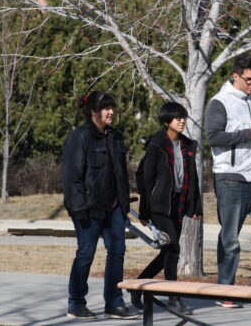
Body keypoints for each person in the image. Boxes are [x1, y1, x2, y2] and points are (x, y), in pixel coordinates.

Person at [205, 54, 251, 308]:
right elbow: (213, 137)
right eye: (248, 79)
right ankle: (225, 290)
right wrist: (248, 134)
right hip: (231, 179)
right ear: (235, 76)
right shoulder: (219, 102)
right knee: (230, 238)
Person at [61, 91, 139, 320]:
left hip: (113, 207)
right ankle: (76, 303)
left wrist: (124, 204)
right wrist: (78, 208)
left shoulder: (115, 137)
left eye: (112, 107)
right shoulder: (80, 137)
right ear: (94, 111)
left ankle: (114, 303)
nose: (111, 112)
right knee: (86, 254)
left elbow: (121, 174)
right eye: (106, 108)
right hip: (88, 208)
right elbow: (71, 177)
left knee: (117, 252)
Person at [130, 102, 202, 315]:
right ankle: (174, 297)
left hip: (178, 205)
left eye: (183, 117)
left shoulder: (188, 145)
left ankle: (137, 286)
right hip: (159, 206)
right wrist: (144, 211)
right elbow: (145, 177)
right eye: (177, 117)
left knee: (168, 253)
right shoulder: (157, 144)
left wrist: (195, 206)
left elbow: (193, 178)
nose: (182, 121)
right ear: (166, 121)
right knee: (173, 249)